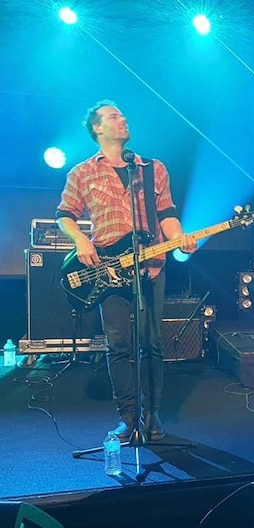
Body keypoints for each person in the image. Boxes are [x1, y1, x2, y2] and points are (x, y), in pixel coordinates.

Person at [56, 100, 197, 441]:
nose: (124, 119)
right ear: (97, 128)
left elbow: (166, 213)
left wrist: (179, 238)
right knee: (118, 344)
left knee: (152, 343)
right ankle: (127, 418)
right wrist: (81, 241)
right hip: (107, 269)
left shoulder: (152, 168)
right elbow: (65, 215)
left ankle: (153, 416)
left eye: (124, 114)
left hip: (150, 265)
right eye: (115, 116)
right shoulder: (82, 172)